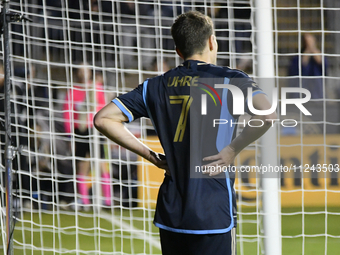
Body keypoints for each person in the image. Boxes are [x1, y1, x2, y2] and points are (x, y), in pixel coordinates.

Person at [94, 11, 276, 255]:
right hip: (214, 209)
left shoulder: (155, 86)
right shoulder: (231, 79)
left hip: (173, 210)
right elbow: (268, 114)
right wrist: (232, 150)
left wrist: (151, 157)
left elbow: (103, 119)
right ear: (212, 41)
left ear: (178, 51)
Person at [63, 63, 111, 208]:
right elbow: (67, 114)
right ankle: (84, 200)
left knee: (102, 164)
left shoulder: (96, 88)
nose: (83, 73)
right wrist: (69, 135)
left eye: (86, 71)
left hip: (96, 129)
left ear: (90, 72)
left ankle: (107, 200)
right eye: (81, 70)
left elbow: (104, 107)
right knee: (82, 166)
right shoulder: (73, 91)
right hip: (81, 131)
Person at [288, 33, 328, 99]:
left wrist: (313, 50)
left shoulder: (320, 55)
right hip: (302, 88)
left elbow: (323, 65)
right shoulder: (298, 57)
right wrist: (308, 52)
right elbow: (300, 66)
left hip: (317, 90)